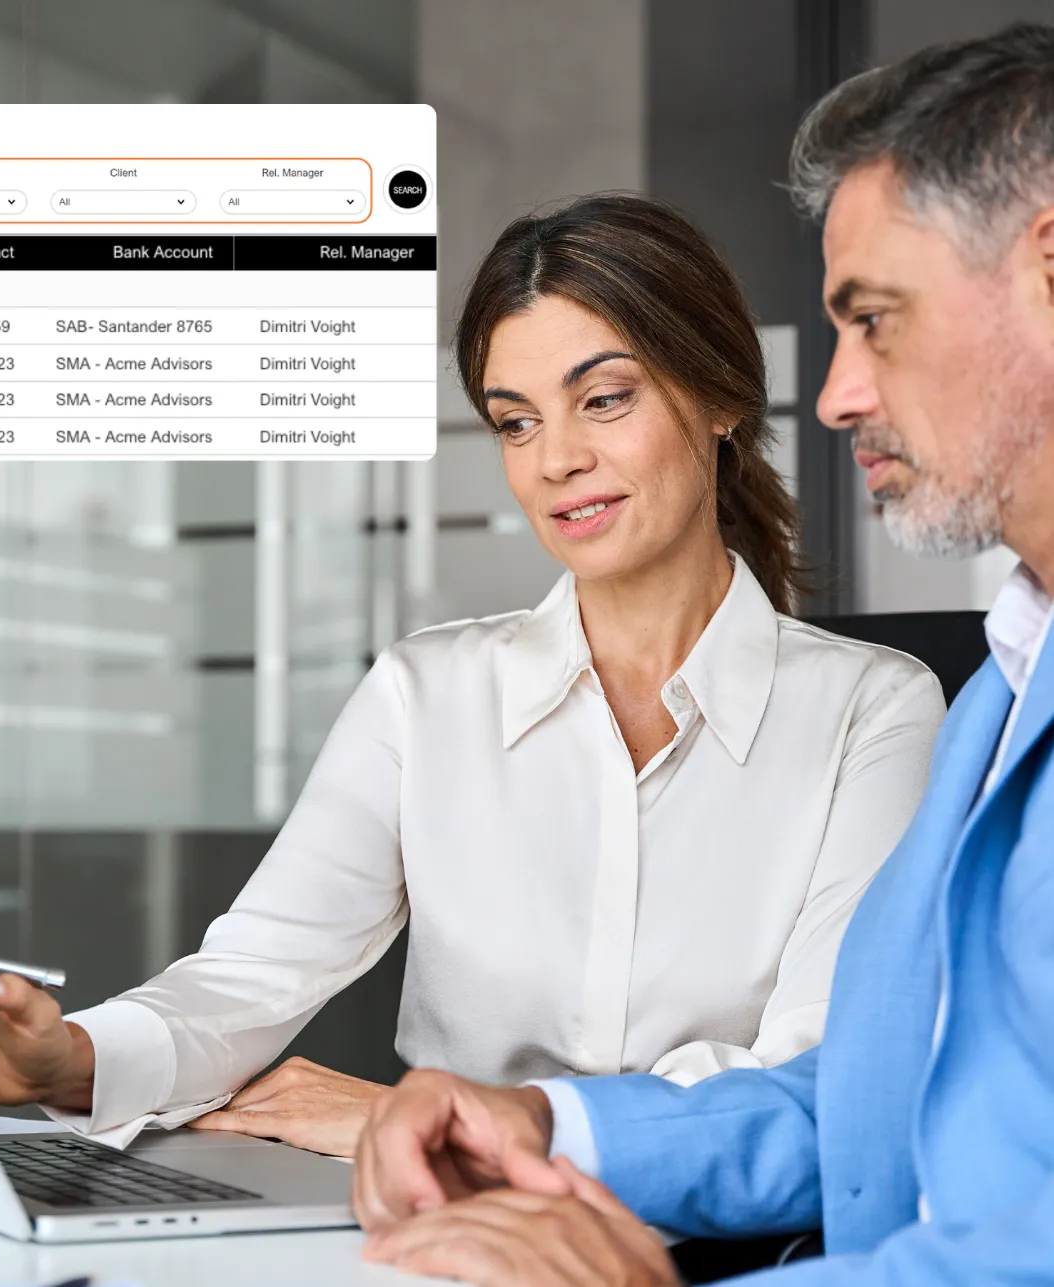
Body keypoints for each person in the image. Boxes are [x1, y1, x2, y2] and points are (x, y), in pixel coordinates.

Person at [0, 194, 943, 1156]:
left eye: (602, 399)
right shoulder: (423, 694)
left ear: (719, 402)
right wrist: (69, 1060)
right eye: (514, 420)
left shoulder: (873, 711)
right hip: (435, 1239)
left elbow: (819, 1070)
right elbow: (253, 974)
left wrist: (428, 1121)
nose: (551, 460)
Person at [349, 22, 1054, 1287]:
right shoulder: (1005, 686)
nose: (834, 396)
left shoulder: (896, 708)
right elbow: (861, 1103)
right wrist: (549, 1125)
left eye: (873, 321)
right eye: (515, 420)